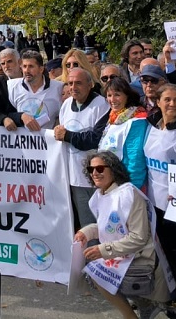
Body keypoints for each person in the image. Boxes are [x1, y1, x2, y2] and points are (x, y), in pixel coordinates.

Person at [73, 151, 170, 319]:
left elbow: (139, 237)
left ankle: (133, 313)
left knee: (95, 271)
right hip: (124, 254)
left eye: (100, 168)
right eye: (91, 169)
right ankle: (143, 305)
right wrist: (86, 232)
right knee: (94, 269)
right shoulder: (101, 195)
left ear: (113, 170)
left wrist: (105, 249)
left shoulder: (129, 194)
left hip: (142, 257)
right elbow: (110, 227)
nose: (95, 173)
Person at [143, 84, 176, 316]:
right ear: (159, 102)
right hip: (156, 203)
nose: (172, 104)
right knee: (167, 252)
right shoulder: (152, 127)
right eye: (167, 99)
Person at [54, 67, 110, 230]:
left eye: (78, 83)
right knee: (82, 225)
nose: (73, 87)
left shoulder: (101, 105)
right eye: (70, 83)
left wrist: (68, 136)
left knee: (97, 225)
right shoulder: (66, 105)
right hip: (72, 176)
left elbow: (95, 139)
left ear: (90, 84)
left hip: (94, 178)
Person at [98, 78, 149, 190]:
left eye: (117, 95)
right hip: (111, 181)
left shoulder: (137, 120)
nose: (112, 99)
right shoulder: (114, 117)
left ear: (127, 95)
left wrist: (132, 188)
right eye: (109, 95)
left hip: (127, 184)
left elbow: (135, 157)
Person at [3, 51, 63, 132]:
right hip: (21, 142)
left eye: (31, 66)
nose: (26, 70)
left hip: (48, 142)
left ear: (41, 69)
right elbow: (7, 113)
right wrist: (21, 116)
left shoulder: (59, 88)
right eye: (24, 66)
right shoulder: (12, 86)